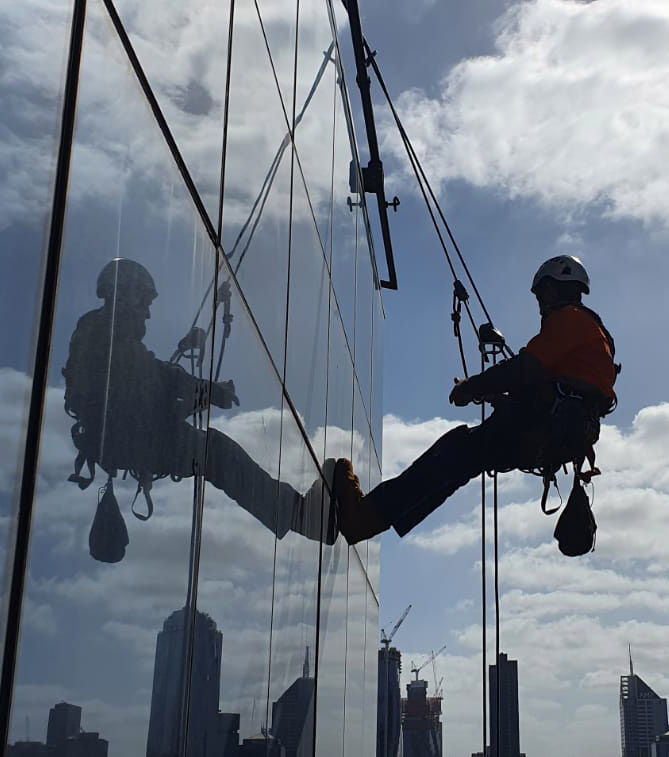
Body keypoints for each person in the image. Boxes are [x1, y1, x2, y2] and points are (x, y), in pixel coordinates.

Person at [334, 255, 620, 544]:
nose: (541, 304)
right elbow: (543, 386)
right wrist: (492, 394)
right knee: (456, 462)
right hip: (555, 435)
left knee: (453, 456)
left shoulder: (570, 320)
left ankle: (365, 517)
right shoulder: (592, 336)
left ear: (557, 288)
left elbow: (523, 369)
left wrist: (471, 387)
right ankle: (367, 518)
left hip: (545, 430)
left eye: (543, 293)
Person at [64, 258, 332, 561]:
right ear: (125, 295)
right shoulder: (104, 332)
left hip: (122, 436)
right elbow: (156, 378)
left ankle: (298, 514)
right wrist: (208, 391)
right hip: (123, 438)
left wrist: (199, 394)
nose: (148, 313)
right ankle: (299, 516)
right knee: (215, 452)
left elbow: (146, 383)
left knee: (213, 450)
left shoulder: (103, 332)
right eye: (144, 303)